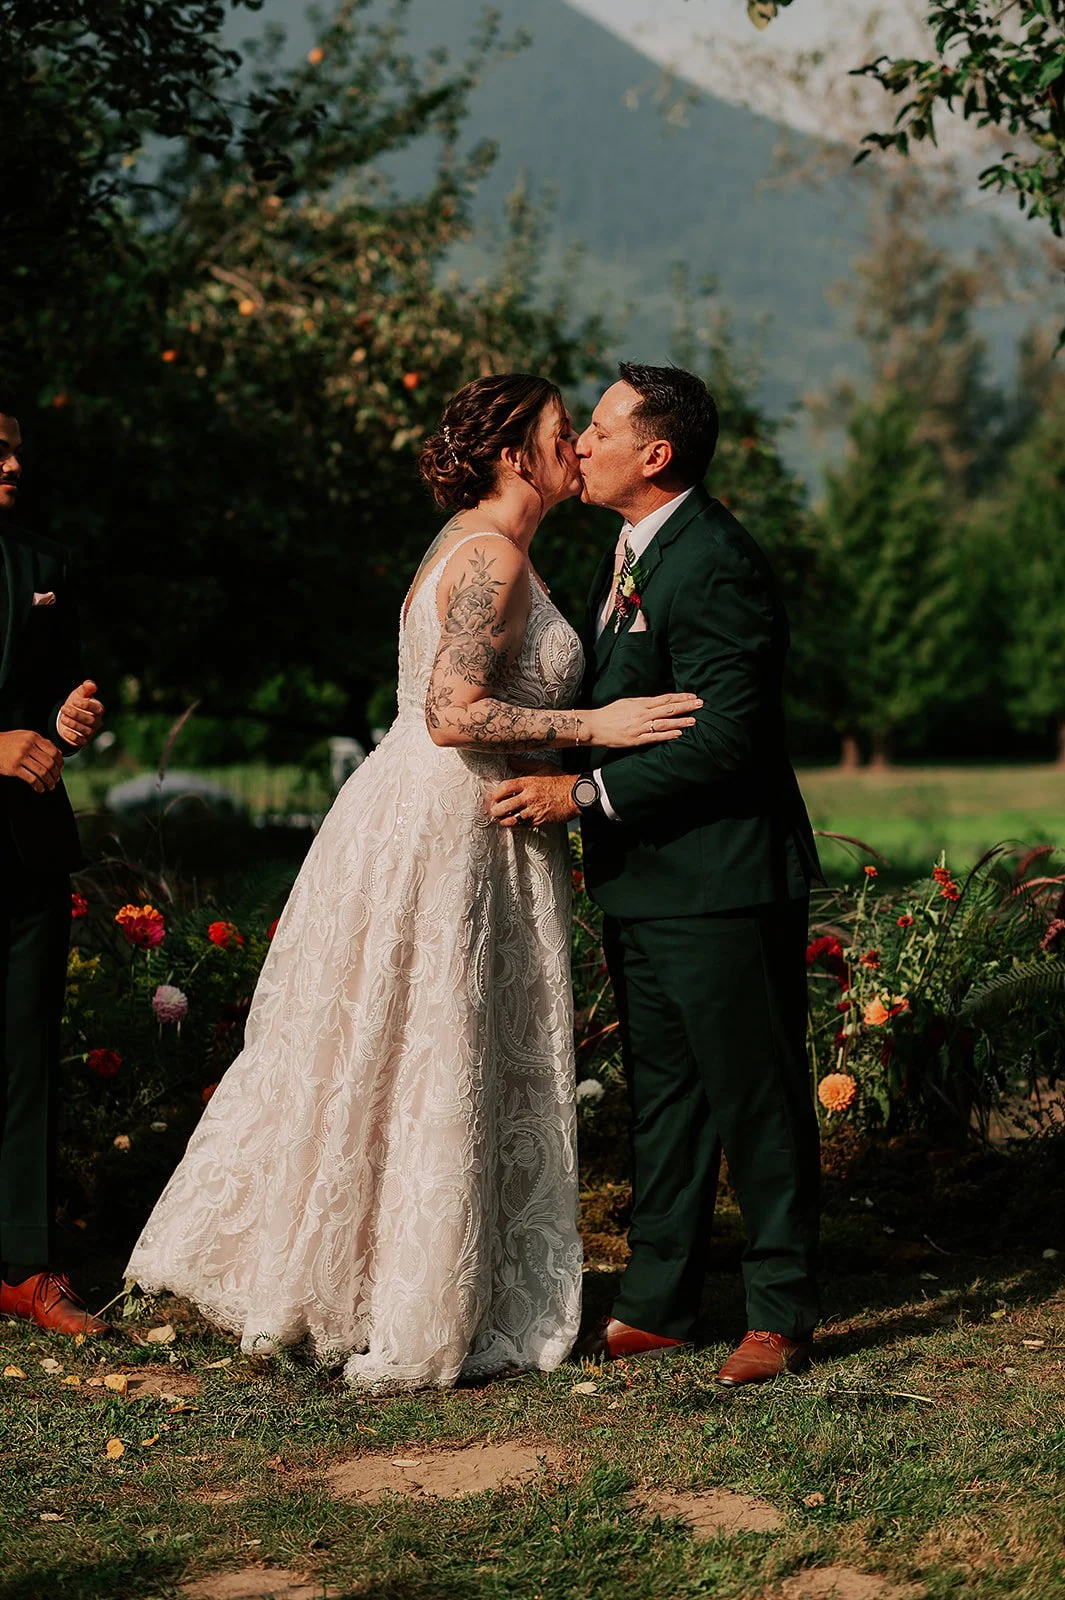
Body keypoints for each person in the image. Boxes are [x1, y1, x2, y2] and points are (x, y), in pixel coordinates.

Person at [126, 373, 700, 1391]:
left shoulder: (502, 550)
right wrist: (594, 731)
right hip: (446, 820)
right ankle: (406, 1293)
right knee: (432, 1042)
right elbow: (450, 709)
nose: (576, 448)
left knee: (411, 1052)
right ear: (517, 453)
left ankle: (397, 1271)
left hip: (457, 818)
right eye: (563, 433)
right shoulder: (486, 554)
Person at [490, 363, 823, 1386]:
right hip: (645, 881)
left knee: (754, 1095)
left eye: (597, 428)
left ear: (657, 452)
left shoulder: (714, 559)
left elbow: (731, 734)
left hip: (722, 879)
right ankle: (662, 1299)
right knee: (668, 1095)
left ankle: (780, 1313)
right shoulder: (625, 552)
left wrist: (583, 798)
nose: (580, 445)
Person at [0, 392, 107, 1336]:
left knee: (26, 1051)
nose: (13, 465)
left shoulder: (42, 564)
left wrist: (67, 720)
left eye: (16, 450)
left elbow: (58, 695)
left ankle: (23, 1265)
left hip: (25, 846)